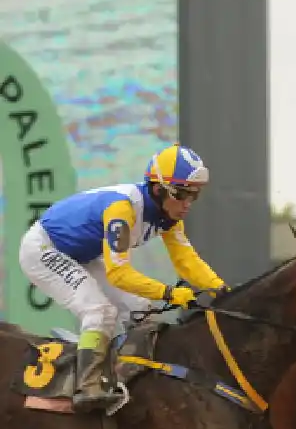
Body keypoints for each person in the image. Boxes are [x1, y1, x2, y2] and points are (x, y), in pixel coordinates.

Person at [18, 143, 225, 413]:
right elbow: (119, 275)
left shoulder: (169, 216)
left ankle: (124, 372)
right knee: (99, 310)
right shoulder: (123, 210)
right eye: (181, 194)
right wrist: (169, 293)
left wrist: (221, 289)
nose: (187, 204)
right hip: (43, 249)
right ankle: (87, 386)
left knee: (141, 308)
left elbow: (186, 260)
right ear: (158, 188)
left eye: (194, 196)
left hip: (80, 253)